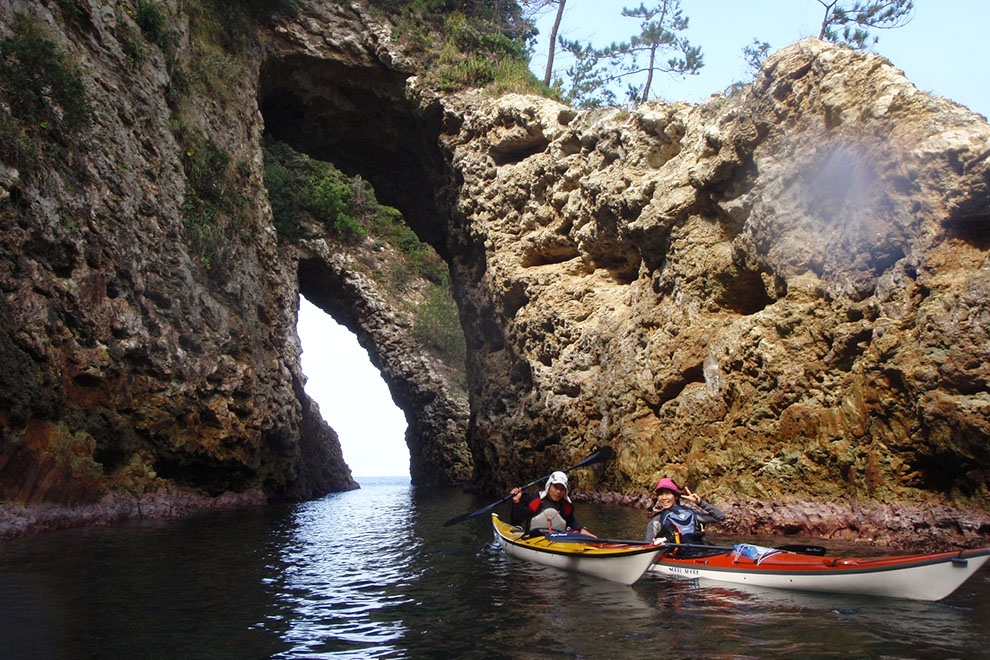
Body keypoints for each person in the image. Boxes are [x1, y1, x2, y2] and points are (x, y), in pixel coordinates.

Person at [510, 471, 595, 536]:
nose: (558, 492)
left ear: (565, 491)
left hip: (557, 543)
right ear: (549, 486)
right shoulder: (536, 501)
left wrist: (585, 532)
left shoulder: (567, 506)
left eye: (562, 489)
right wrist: (516, 502)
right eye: (555, 487)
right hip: (533, 539)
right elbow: (516, 521)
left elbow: (572, 522)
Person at [645, 477, 725, 544]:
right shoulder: (657, 520)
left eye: (667, 493)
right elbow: (648, 545)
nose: (664, 497)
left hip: (699, 551)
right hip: (676, 556)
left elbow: (720, 517)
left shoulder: (690, 513)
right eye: (661, 494)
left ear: (676, 497)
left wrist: (700, 502)